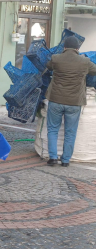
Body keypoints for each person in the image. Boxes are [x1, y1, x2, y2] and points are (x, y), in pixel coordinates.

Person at [46, 36, 96, 167]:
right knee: (70, 131)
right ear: (77, 48)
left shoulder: (56, 58)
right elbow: (95, 71)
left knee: (52, 129)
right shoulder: (84, 61)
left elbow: (48, 66)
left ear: (64, 47)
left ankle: (52, 157)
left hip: (56, 100)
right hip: (74, 102)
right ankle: (65, 160)